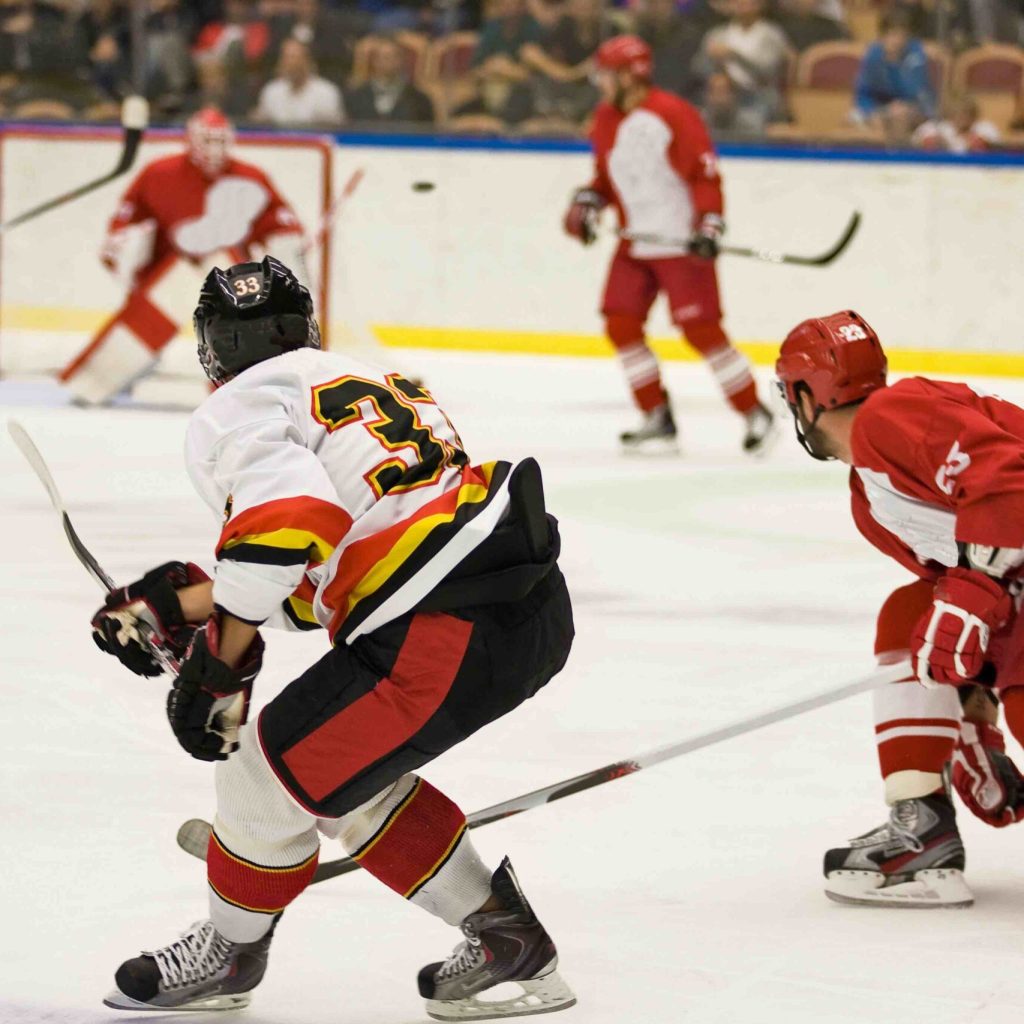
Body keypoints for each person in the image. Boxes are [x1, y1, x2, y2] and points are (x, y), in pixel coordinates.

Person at [91, 256, 576, 1018]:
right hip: (519, 608)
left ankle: (229, 950)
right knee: (340, 772)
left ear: (210, 349)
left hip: (439, 629)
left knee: (264, 771)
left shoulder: (234, 406)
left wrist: (220, 658)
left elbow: (289, 519)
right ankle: (505, 940)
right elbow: (328, 573)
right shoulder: (371, 382)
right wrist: (191, 603)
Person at [775, 310, 1024, 908]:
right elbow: (962, 601)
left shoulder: (894, 416)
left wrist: (972, 595)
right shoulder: (871, 490)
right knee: (913, 615)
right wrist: (972, 711)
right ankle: (923, 826)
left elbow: (1011, 485)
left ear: (806, 396)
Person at [562, 34, 775, 454]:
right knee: (621, 324)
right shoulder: (605, 118)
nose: (600, 83)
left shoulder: (673, 114)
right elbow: (610, 178)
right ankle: (655, 414)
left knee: (702, 332)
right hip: (634, 243)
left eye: (606, 75)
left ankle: (754, 412)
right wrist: (591, 199)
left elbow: (704, 175)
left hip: (681, 243)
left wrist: (710, 225)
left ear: (631, 75)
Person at [58, 109, 309, 405]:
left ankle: (238, 388)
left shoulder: (250, 178)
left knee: (237, 326)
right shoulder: (159, 174)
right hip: (170, 270)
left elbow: (279, 222)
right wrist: (120, 241)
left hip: (227, 273)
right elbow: (128, 216)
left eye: (220, 142)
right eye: (207, 141)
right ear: (190, 140)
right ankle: (102, 379)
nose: (214, 151)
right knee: (140, 330)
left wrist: (291, 240)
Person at [698, 0, 788, 126]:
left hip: (757, 94)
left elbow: (768, 71)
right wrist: (711, 59)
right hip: (725, 94)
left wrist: (734, 55)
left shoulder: (771, 35)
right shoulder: (717, 34)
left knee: (755, 118)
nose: (743, 5)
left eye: (749, 2)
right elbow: (699, 68)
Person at [852, 10, 936, 127]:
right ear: (882, 36)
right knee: (853, 120)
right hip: (881, 109)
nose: (897, 41)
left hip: (914, 110)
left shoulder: (915, 55)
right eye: (892, 34)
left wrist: (896, 64)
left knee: (901, 118)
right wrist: (872, 111)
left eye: (902, 36)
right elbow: (863, 94)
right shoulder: (873, 55)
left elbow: (919, 93)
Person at [254, 37, 345, 126]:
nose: (289, 63)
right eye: (285, 57)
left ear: (307, 61)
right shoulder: (271, 91)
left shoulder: (326, 92)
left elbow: (333, 130)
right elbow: (260, 124)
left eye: (293, 57)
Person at [346, 35, 434, 124]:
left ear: (402, 60)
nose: (389, 61)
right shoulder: (356, 97)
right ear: (374, 61)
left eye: (394, 56)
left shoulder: (419, 100)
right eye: (384, 57)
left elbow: (429, 132)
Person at [913, 93, 1001, 152]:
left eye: (966, 114)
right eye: (957, 114)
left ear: (973, 115)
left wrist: (979, 142)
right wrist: (935, 143)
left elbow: (997, 149)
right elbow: (915, 144)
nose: (961, 119)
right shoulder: (935, 127)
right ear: (950, 115)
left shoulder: (985, 128)